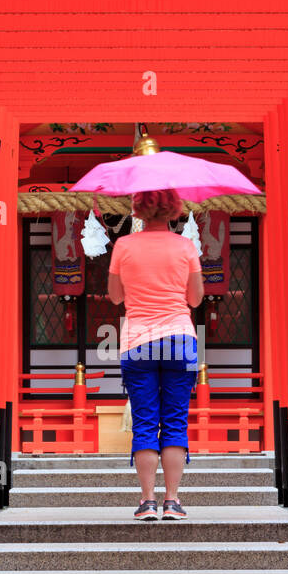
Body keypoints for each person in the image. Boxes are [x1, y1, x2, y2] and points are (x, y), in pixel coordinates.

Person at [106, 188, 204, 520]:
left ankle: (147, 502)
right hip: (180, 338)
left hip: (137, 341)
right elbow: (195, 300)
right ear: (174, 210)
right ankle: (172, 502)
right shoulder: (185, 246)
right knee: (175, 421)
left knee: (146, 422)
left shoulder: (124, 246)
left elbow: (116, 297)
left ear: (138, 210)